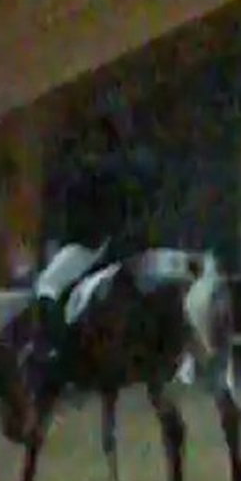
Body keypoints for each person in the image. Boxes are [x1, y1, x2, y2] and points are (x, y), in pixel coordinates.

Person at [31, 100, 159, 380]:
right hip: (118, 242)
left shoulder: (90, 169)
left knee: (46, 285)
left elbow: (75, 214)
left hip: (86, 244)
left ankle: (54, 348)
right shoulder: (127, 165)